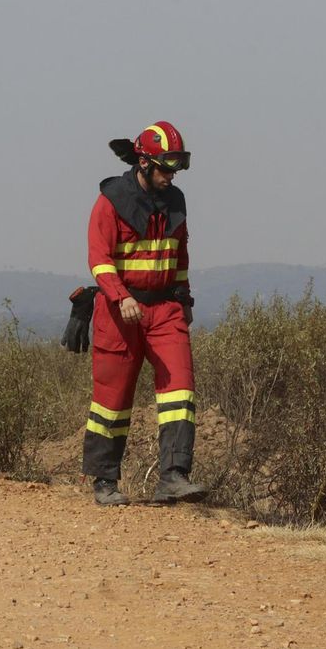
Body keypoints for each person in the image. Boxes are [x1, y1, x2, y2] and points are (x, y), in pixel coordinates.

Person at [82, 120, 207, 506]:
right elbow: (99, 260)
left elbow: (180, 256)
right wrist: (121, 297)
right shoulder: (110, 202)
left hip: (165, 309)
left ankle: (173, 477)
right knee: (111, 400)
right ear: (143, 164)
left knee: (180, 391)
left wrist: (184, 300)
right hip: (120, 312)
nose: (171, 176)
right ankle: (105, 481)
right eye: (165, 168)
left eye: (176, 168)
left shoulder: (176, 202)